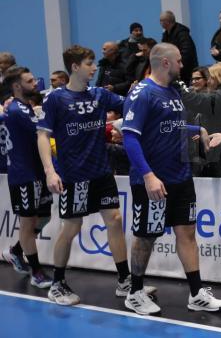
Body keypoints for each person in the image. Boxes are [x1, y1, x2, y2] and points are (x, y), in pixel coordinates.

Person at [121, 42, 221, 315]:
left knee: (187, 233)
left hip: (181, 176)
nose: (183, 65)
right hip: (154, 181)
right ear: (165, 62)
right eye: (179, 60)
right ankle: (134, 292)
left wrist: (199, 129)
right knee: (146, 237)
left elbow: (171, 124)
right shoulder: (142, 93)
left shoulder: (173, 91)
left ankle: (196, 293)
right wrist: (148, 175)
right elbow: (130, 137)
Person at [36, 45, 145, 306]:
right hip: (74, 176)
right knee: (72, 227)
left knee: (115, 219)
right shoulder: (56, 99)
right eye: (89, 63)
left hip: (101, 172)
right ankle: (57, 283)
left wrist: (140, 90)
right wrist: (50, 171)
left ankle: (124, 280)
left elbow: (130, 104)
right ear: (75, 67)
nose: (94, 67)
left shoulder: (99, 95)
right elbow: (43, 135)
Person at [0, 67, 54, 288]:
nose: (35, 84)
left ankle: (15, 251)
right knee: (27, 222)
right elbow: (43, 132)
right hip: (24, 175)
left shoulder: (23, 107)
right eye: (30, 81)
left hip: (36, 173)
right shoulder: (17, 110)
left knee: (43, 218)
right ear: (16, 86)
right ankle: (36, 272)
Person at [160, 10, 199, 83]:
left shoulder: (182, 33)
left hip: (186, 71)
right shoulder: (166, 35)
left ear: (167, 21)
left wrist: (177, 66)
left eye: (161, 21)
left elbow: (187, 52)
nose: (160, 23)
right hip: (174, 70)